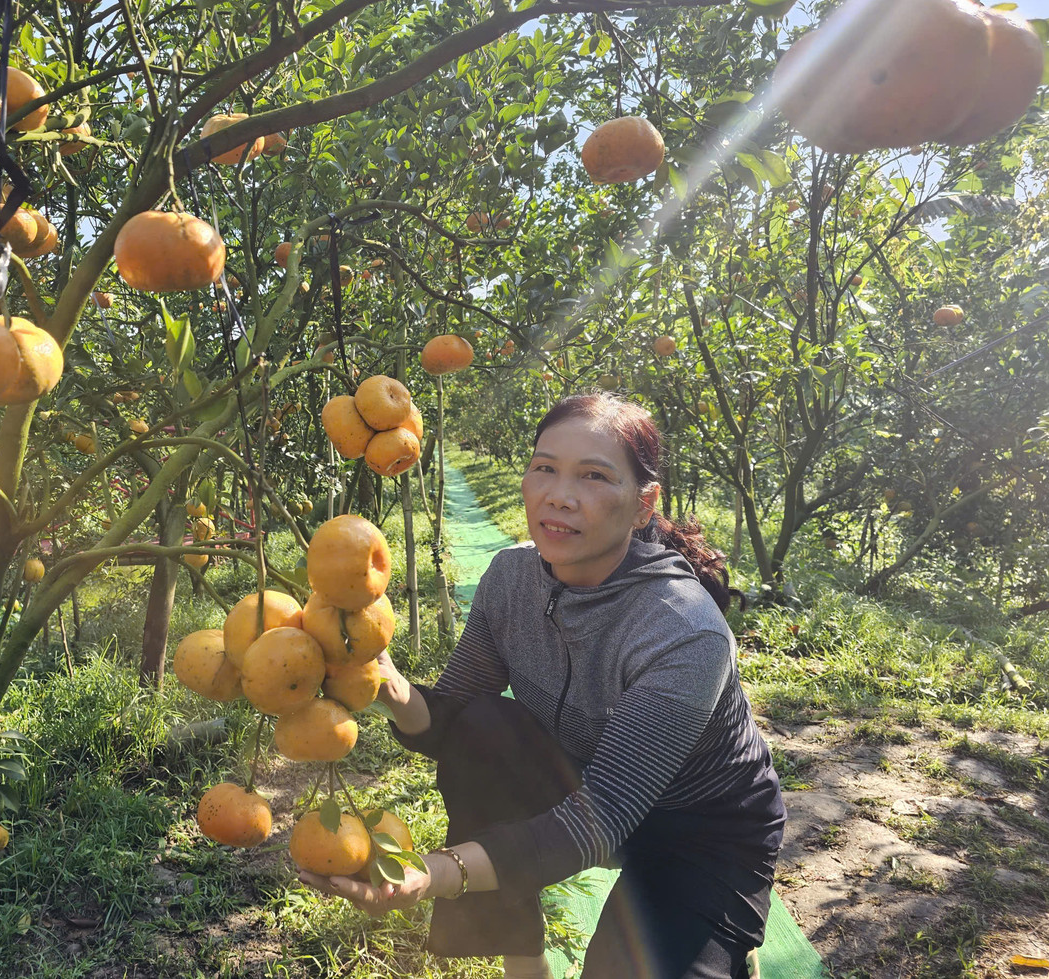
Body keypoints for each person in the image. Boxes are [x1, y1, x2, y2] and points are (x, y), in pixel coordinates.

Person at [298, 393, 786, 979]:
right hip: (581, 782)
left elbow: (601, 818)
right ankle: (524, 959)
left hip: (700, 831)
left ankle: (716, 938)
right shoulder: (510, 578)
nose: (559, 494)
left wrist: (436, 872)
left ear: (643, 504)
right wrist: (385, 682)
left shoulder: (681, 630)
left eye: (594, 476)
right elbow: (454, 717)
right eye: (545, 468)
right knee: (485, 727)